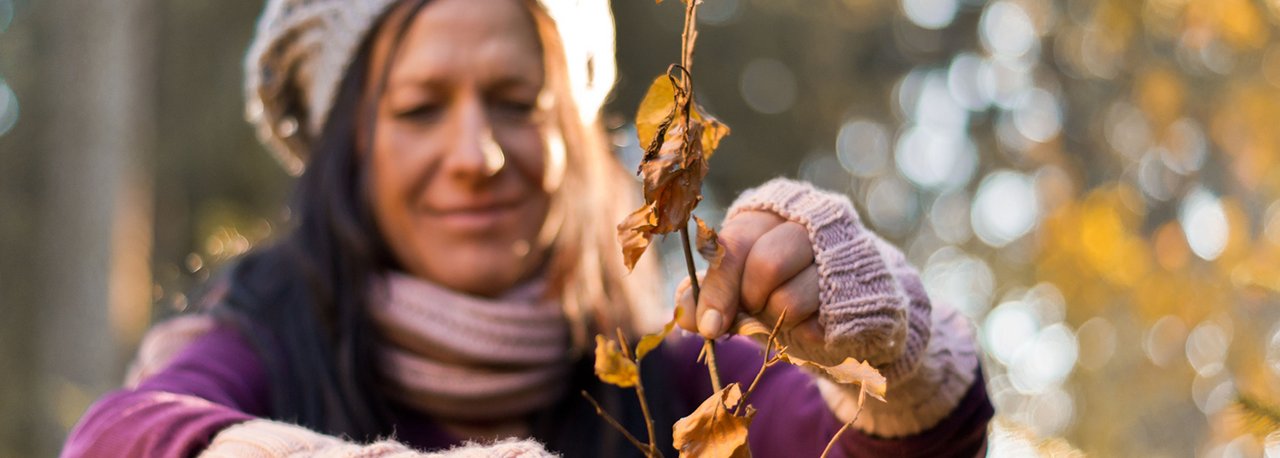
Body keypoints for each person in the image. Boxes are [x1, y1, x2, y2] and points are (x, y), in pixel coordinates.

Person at [63, 0, 993, 456]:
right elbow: (118, 438)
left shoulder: (673, 374)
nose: (479, 154)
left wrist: (887, 342)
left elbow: (905, 445)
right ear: (353, 146)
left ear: (570, 129)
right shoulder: (259, 347)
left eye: (515, 100)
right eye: (422, 107)